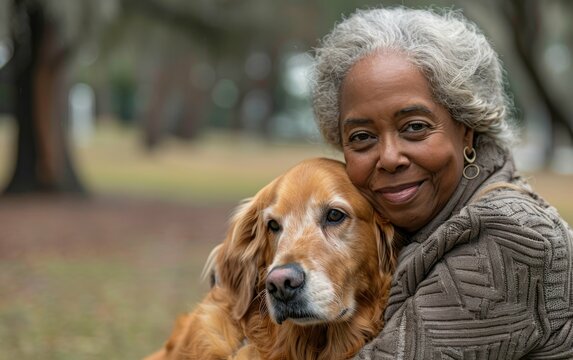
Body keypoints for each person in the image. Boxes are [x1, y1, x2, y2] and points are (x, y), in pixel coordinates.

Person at [311, 6, 573, 359]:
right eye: (361, 136)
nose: (389, 157)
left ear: (466, 129)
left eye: (415, 127)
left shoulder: (509, 239)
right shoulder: (405, 226)